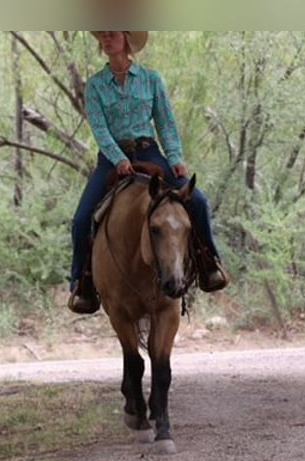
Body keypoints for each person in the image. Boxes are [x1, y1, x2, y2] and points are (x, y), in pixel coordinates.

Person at [68, 30, 229, 314]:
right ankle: (82, 284)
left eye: (112, 34)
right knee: (82, 220)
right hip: (110, 158)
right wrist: (118, 159)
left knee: (198, 202)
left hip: (149, 152)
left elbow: (165, 122)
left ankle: (209, 266)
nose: (106, 39)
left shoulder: (151, 80)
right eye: (103, 36)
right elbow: (100, 130)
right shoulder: (94, 86)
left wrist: (176, 157)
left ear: (127, 39)